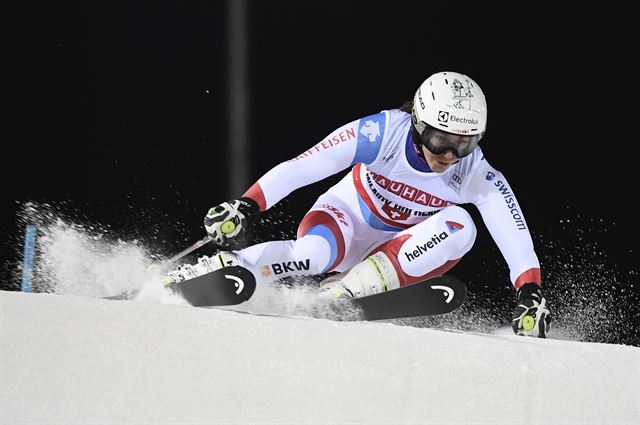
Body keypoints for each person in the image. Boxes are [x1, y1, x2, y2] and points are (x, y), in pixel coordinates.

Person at [167, 71, 552, 338]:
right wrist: (247, 205)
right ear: (419, 124)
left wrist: (529, 293)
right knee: (315, 254)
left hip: (396, 254)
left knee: (461, 226)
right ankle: (233, 266)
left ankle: (345, 290)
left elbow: (513, 232)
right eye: (440, 140)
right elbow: (306, 165)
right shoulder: (381, 132)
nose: (451, 155)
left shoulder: (475, 171)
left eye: (464, 143)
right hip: (344, 220)